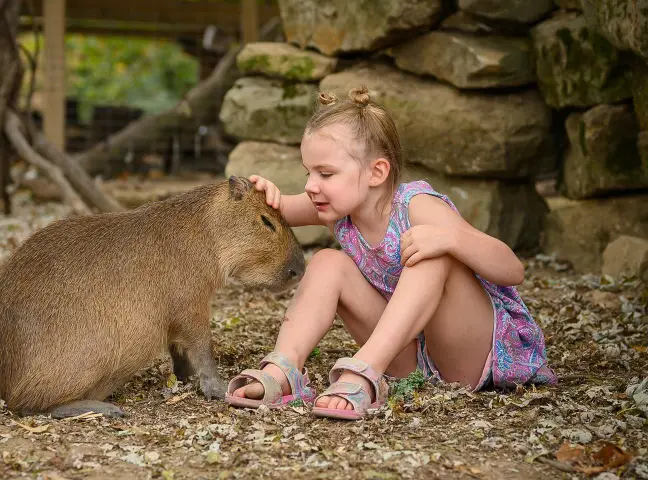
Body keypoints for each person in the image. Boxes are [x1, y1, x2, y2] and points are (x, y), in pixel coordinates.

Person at [224, 86, 557, 421]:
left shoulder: (417, 207)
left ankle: (363, 370)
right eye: (307, 172)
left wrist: (450, 239)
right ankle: (285, 368)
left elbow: (512, 270)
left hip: (471, 356)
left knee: (429, 251)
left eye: (325, 173)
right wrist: (260, 195)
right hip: (408, 361)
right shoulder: (338, 206)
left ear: (377, 173)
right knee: (328, 262)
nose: (311, 185)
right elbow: (278, 211)